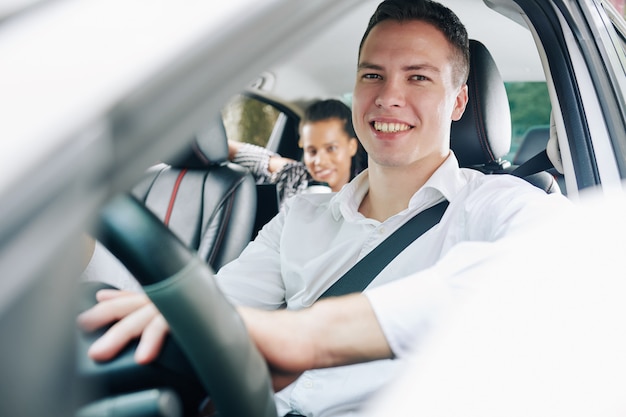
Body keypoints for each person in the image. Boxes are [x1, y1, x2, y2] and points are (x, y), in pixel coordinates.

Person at [77, 0, 571, 415]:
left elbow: (563, 265)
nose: (389, 97)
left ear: (459, 102)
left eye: (418, 78)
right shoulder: (301, 216)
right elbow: (218, 308)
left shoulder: (498, 207)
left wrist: (308, 335)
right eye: (372, 74)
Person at [228, 98, 367, 205]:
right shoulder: (294, 175)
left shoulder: (366, 196)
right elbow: (232, 150)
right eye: (312, 151)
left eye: (331, 148)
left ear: (352, 146)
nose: (320, 161)